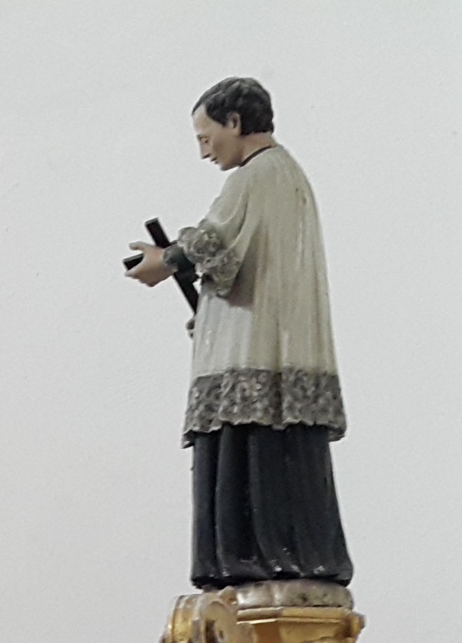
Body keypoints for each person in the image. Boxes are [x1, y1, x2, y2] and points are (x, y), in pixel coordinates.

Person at [125, 77, 352, 589]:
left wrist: (164, 260)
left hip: (255, 349)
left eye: (207, 138)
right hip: (272, 335)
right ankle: (300, 553)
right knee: (282, 452)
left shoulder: (254, 177)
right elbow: (243, 266)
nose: (204, 151)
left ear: (235, 122)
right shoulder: (288, 175)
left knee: (246, 443)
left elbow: (213, 242)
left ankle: (245, 556)